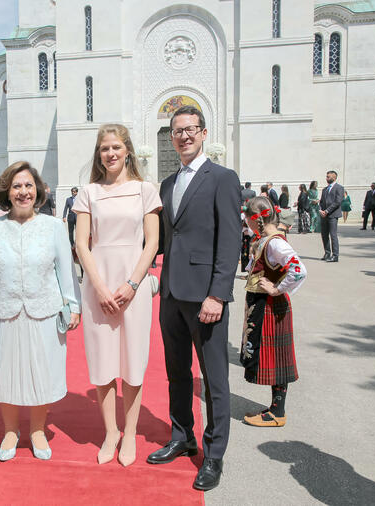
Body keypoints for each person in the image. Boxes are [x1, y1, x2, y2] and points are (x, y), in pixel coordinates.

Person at [148, 105, 240, 491]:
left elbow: (230, 240)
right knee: (177, 373)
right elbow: (164, 239)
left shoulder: (221, 178)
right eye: (177, 131)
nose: (183, 136)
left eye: (190, 129)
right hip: (171, 293)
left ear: (203, 133)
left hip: (205, 298)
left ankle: (214, 454)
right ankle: (181, 435)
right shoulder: (166, 184)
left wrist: (218, 294)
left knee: (215, 378)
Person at [0, 162, 81, 462]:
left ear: (38, 190)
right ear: (7, 191)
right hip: (2, 310)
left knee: (40, 372)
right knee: (6, 372)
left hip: (43, 310)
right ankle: (10, 430)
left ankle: (36, 430)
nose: (23, 192)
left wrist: (73, 306)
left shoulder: (53, 227)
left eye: (29, 185)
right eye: (17, 186)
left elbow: (65, 270)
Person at [72, 123, 162, 468]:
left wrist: (133, 284)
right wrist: (99, 287)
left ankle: (130, 431)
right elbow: (82, 243)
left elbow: (152, 242)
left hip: (133, 285)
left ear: (127, 151)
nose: (110, 154)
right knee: (103, 361)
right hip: (98, 285)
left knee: (132, 362)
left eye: (115, 147)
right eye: (104, 149)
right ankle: (110, 431)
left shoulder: (144, 190)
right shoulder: (88, 193)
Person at [240, 197, 306, 427]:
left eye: (247, 218)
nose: (245, 222)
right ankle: (276, 408)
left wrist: (277, 289)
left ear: (256, 219)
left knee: (276, 359)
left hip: (271, 307)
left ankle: (278, 413)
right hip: (264, 305)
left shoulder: (276, 243)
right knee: (273, 358)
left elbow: (298, 270)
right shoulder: (265, 240)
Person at [319, 171, 343, 262]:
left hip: (333, 215)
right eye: (326, 176)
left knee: (333, 235)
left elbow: (338, 202)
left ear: (334, 177)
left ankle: (335, 255)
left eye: (328, 177)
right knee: (324, 235)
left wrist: (327, 211)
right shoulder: (325, 189)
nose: (327, 178)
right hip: (324, 215)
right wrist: (321, 210)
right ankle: (327, 253)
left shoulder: (339, 188)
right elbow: (321, 202)